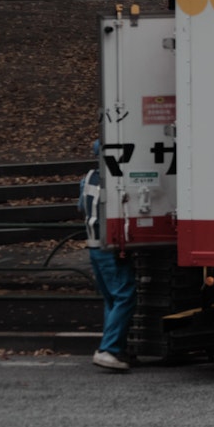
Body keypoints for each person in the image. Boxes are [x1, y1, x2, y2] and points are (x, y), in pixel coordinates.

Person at [80, 140, 137, 372]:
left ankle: (117, 348)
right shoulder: (114, 179)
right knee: (125, 295)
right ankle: (109, 349)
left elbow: (81, 207)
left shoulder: (88, 177)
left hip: (93, 244)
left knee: (112, 298)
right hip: (109, 246)